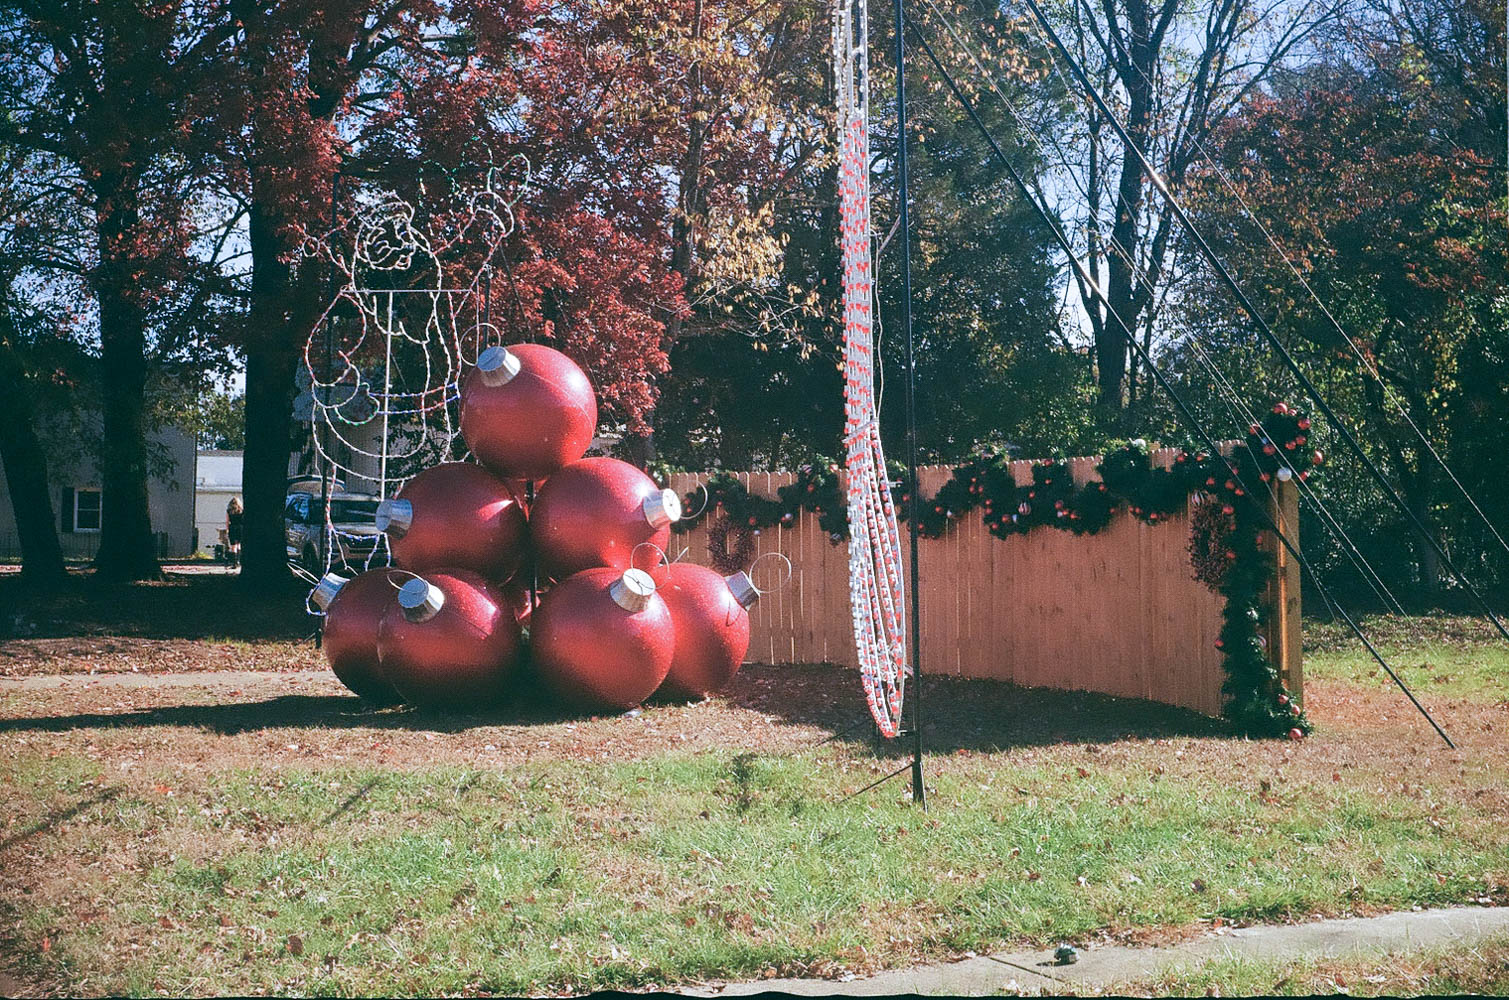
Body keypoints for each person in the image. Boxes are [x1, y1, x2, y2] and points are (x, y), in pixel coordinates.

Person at [226, 497, 244, 569]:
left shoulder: (229, 511)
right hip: (240, 528)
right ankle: (239, 561)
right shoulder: (241, 510)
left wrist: (227, 529)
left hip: (232, 527)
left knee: (233, 546)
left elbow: (227, 521)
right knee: (239, 544)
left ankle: (234, 563)